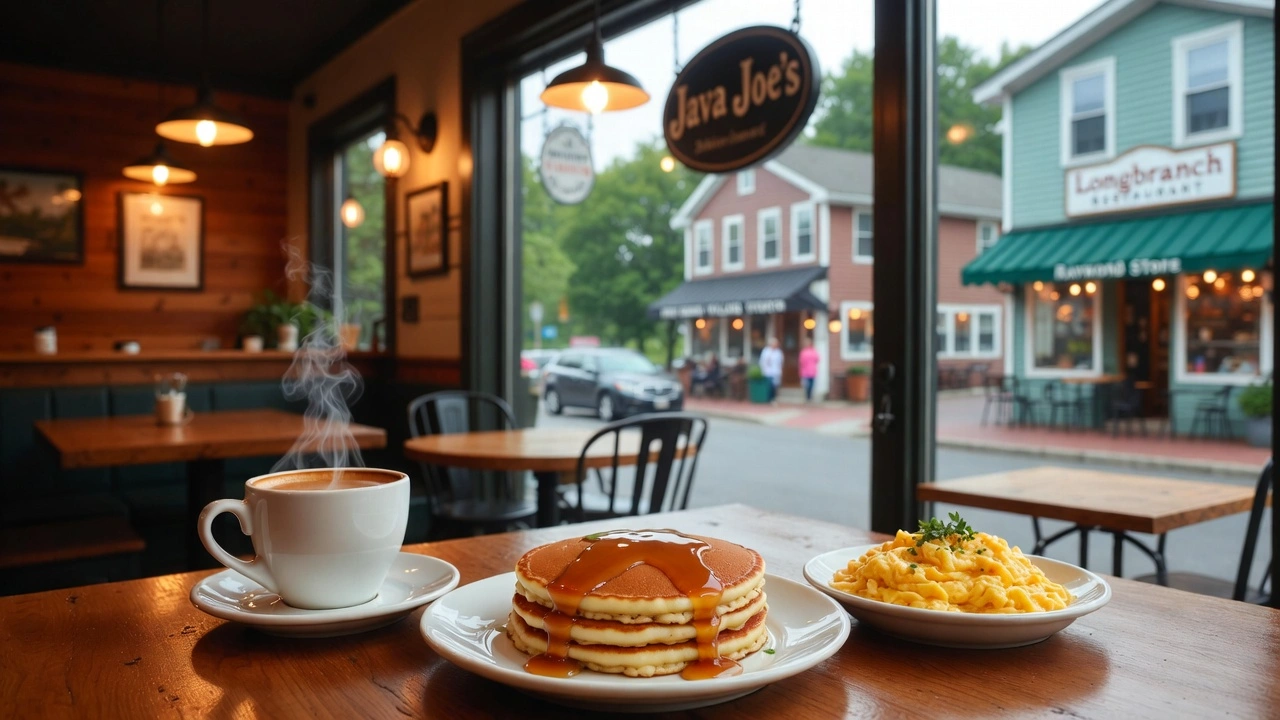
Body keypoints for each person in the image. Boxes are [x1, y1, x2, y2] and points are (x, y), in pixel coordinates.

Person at [758, 337, 784, 404]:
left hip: (776, 372)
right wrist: (763, 370)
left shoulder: (778, 352)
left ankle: (773, 399)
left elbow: (780, 362)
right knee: (769, 386)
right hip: (768, 372)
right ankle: (768, 399)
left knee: (775, 386)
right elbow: (762, 361)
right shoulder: (766, 351)